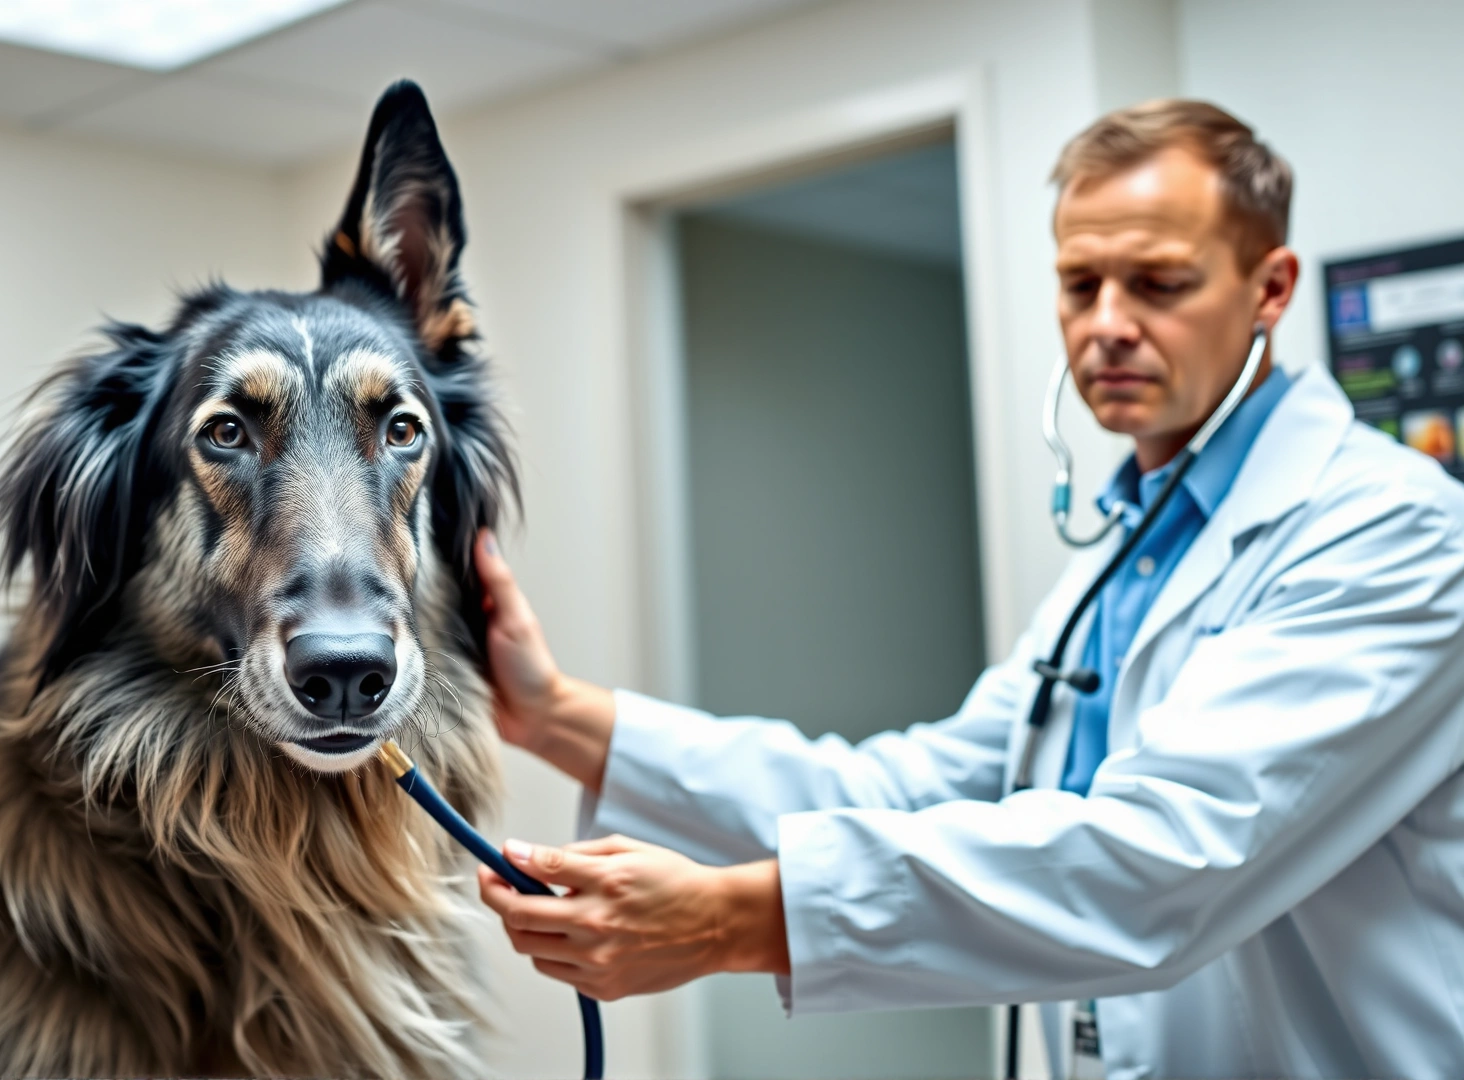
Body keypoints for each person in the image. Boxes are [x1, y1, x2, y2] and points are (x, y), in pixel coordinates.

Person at [470, 100, 1464, 1079]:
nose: (1107, 326)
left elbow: (1166, 864)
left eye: (1159, 283)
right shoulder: (1127, 558)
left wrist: (730, 921)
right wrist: (553, 713)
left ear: (1271, 289)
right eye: (1080, 285)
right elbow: (900, 796)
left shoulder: (1392, 533)